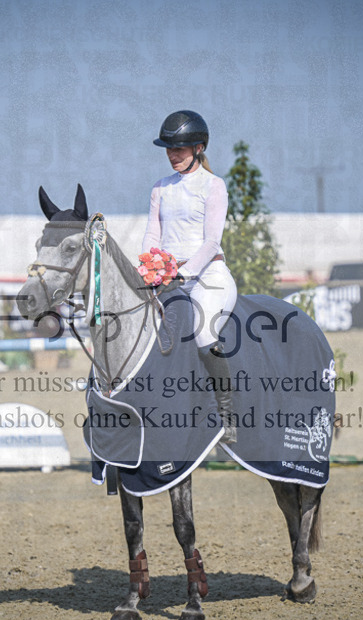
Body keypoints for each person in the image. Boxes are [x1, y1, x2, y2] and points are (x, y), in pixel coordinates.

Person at [143, 110, 239, 444]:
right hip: (168, 278)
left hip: (208, 276)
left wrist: (181, 274)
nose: (172, 155)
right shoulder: (160, 188)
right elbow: (152, 238)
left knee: (202, 334)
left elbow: (212, 241)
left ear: (198, 148)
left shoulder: (214, 186)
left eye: (179, 149)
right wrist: (147, 270)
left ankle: (227, 415)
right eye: (169, 149)